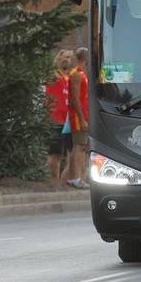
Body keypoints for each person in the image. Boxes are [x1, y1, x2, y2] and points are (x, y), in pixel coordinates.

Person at [45, 50, 72, 181]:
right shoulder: (54, 75)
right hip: (55, 120)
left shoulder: (67, 77)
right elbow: (49, 71)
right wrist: (55, 61)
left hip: (67, 121)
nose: (66, 59)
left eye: (69, 57)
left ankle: (60, 183)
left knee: (65, 156)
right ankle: (53, 183)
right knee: (54, 155)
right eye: (64, 57)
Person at [66, 47, 90, 189]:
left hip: (84, 115)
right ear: (86, 58)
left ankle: (79, 177)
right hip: (78, 116)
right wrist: (81, 118)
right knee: (78, 146)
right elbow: (75, 98)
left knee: (82, 146)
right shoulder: (77, 74)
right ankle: (75, 178)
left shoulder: (82, 74)